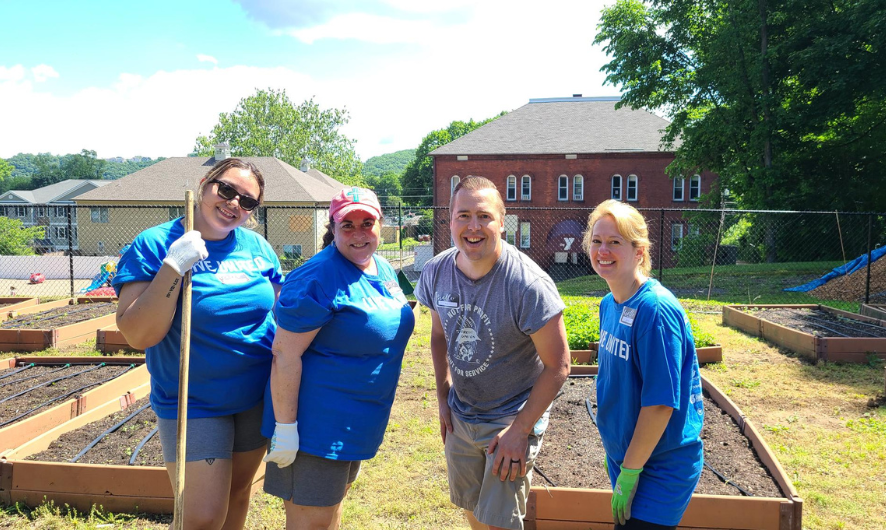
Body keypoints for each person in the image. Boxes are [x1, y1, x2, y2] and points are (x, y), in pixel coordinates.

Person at [114, 158, 282, 530]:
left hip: (255, 396)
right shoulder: (155, 244)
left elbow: (278, 313)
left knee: (239, 495)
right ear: (205, 183)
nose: (234, 203)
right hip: (195, 402)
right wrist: (174, 266)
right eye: (226, 190)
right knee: (201, 518)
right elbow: (138, 334)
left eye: (248, 201)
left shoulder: (258, 248)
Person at [415, 176, 570, 530]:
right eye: (463, 215)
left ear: (502, 221)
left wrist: (519, 430)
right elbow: (439, 336)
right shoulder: (436, 271)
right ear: (450, 220)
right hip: (461, 414)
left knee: (499, 522)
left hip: (509, 419)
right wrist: (443, 398)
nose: (473, 226)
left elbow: (559, 366)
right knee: (472, 511)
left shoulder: (527, 285)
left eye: (484, 216)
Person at [261, 187, 416, 530]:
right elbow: (285, 354)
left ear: (381, 224)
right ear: (333, 228)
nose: (359, 233)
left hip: (357, 421)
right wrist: (286, 430)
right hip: (316, 426)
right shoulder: (317, 277)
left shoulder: (383, 269)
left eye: (367, 222)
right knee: (311, 522)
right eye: (348, 225)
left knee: (331, 513)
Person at [583, 200, 704, 530]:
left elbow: (661, 404)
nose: (603, 250)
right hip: (625, 458)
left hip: (661, 463)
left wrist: (632, 471)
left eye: (615, 242)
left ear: (639, 252)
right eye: (597, 241)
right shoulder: (609, 304)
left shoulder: (655, 310)